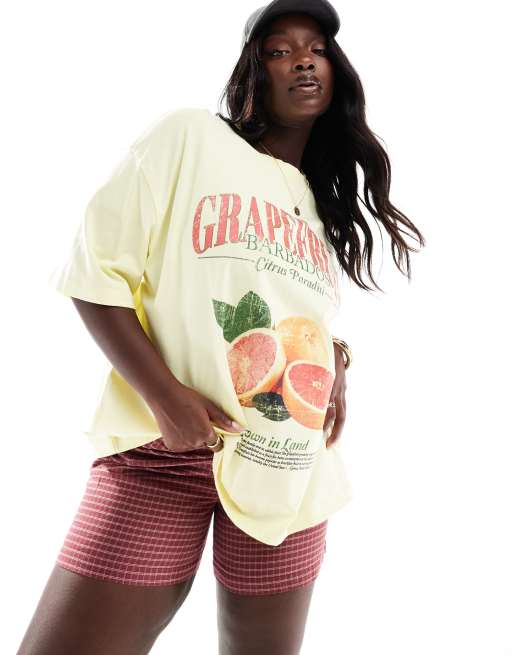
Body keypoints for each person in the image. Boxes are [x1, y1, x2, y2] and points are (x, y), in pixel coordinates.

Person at [17, 1, 425, 653]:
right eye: (279, 50)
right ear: (253, 72)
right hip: (162, 456)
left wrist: (336, 357)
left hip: (288, 465)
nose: (302, 61)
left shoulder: (316, 207)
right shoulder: (189, 139)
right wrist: (165, 397)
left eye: (316, 49)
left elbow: (288, 308)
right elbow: (95, 274)